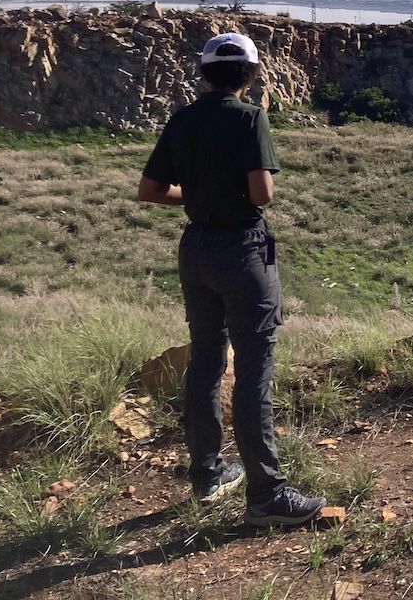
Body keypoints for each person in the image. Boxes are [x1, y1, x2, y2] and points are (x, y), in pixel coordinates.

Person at [137, 31, 325, 527]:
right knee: (254, 371)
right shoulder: (250, 117)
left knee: (205, 362)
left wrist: (199, 195)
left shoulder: (182, 118)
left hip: (195, 248)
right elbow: (261, 194)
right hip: (241, 250)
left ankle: (208, 473)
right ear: (251, 74)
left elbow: (150, 190)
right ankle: (267, 494)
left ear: (204, 73)